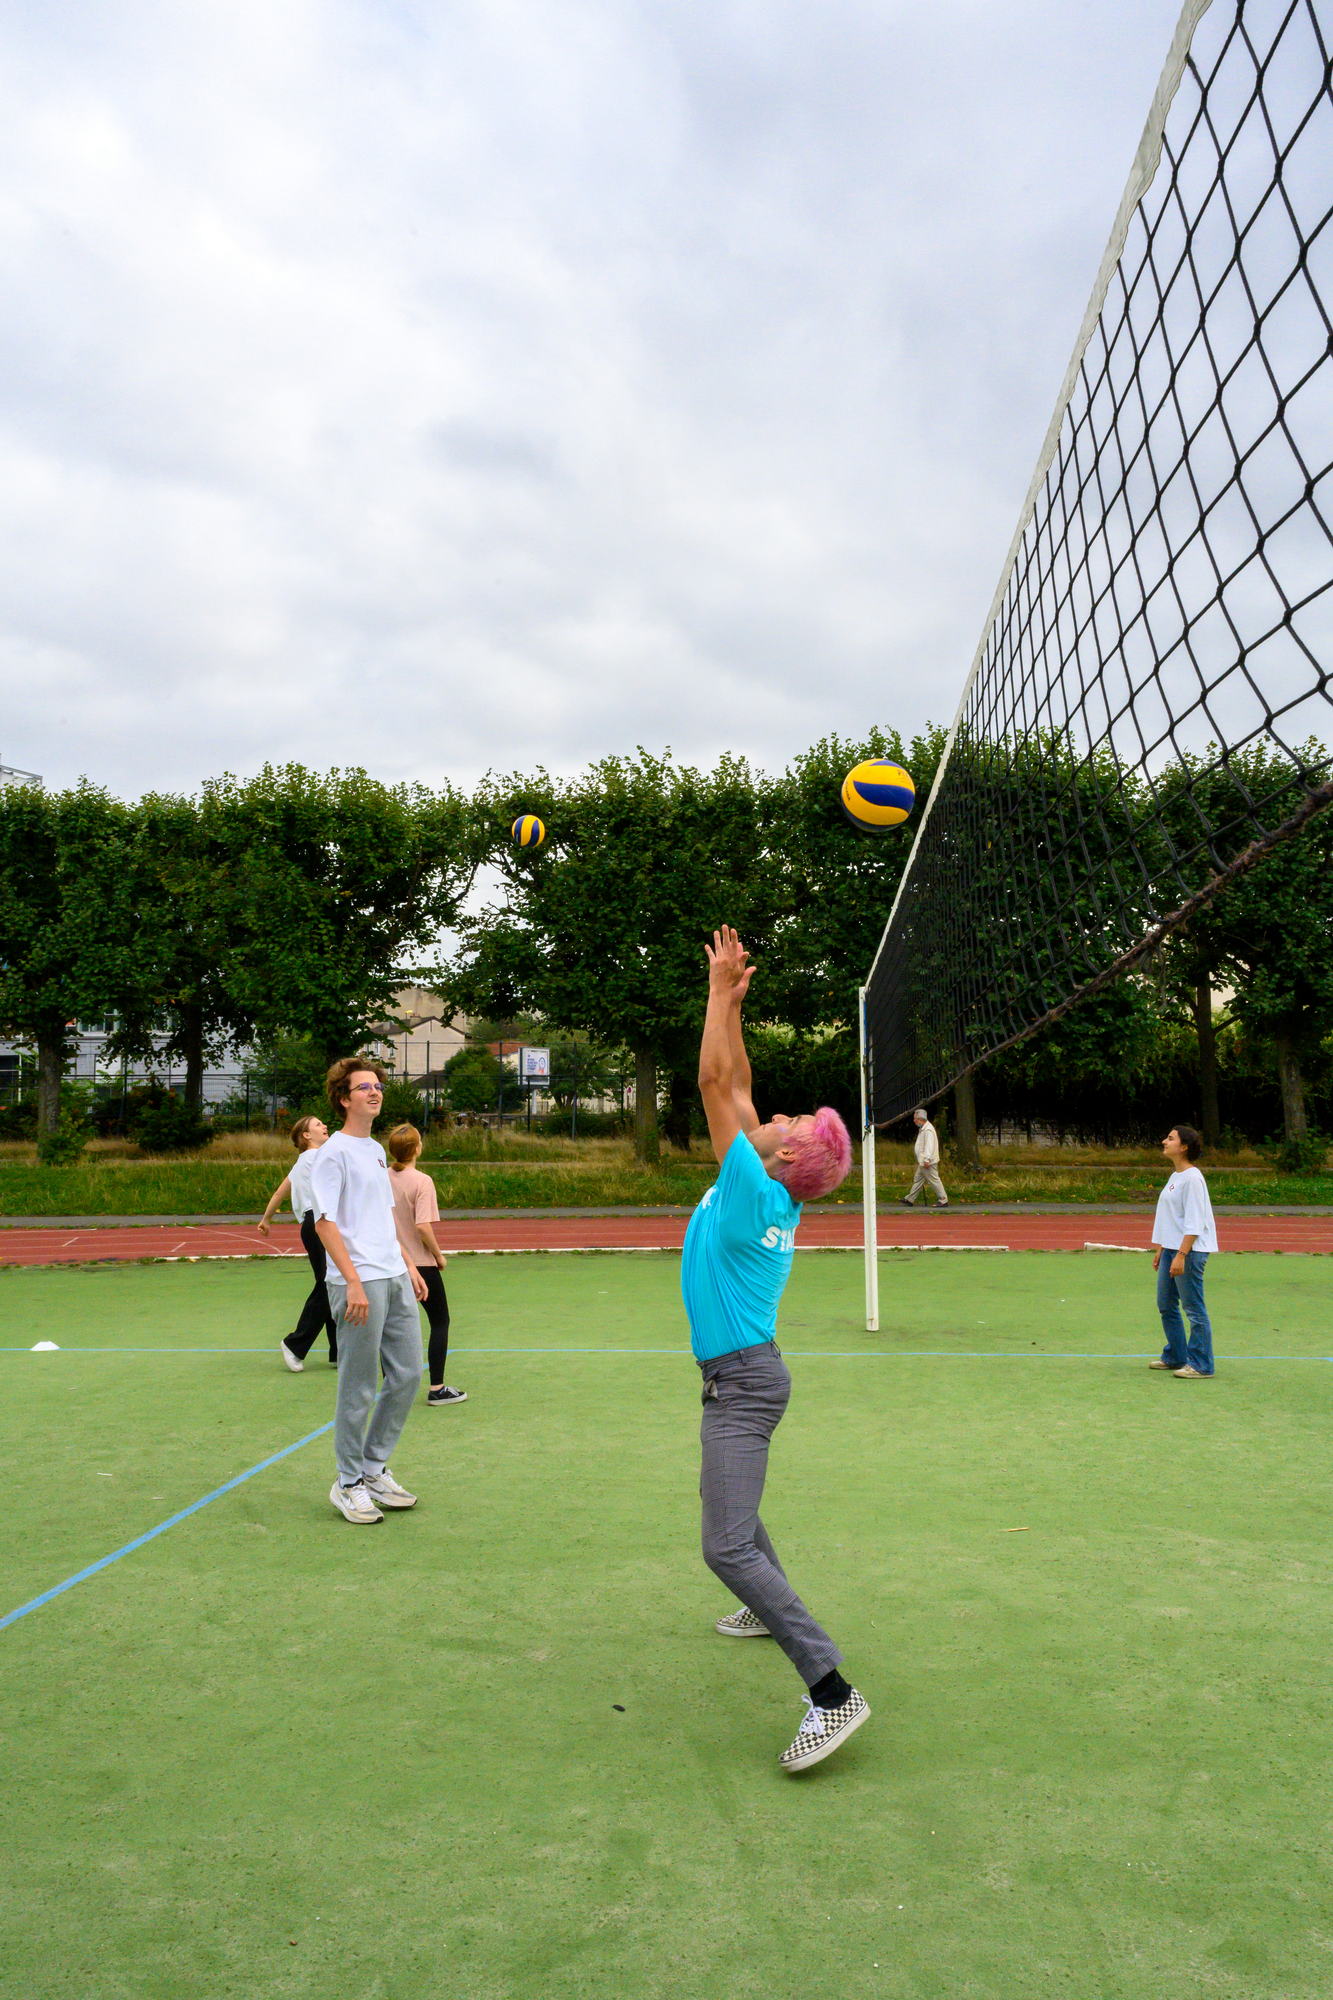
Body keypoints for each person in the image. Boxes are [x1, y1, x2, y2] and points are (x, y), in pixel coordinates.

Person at [682, 924, 868, 1774]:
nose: (775, 1115)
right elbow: (739, 1082)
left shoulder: (750, 1183)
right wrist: (733, 1006)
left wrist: (716, 995)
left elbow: (713, 1083)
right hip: (747, 1374)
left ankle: (831, 1690)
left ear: (784, 1152)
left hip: (743, 1382)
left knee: (724, 1545)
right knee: (735, 1511)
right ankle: (764, 1609)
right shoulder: (766, 1185)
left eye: (787, 1121)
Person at [310, 1057, 429, 1524]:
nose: (375, 1092)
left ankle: (374, 1468)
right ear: (344, 1099)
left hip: (393, 1275)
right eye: (364, 1087)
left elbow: (382, 1215)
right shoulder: (332, 1153)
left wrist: (408, 1264)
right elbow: (325, 1223)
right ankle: (347, 1482)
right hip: (356, 1282)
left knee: (408, 1374)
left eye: (378, 1085)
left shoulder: (376, 1151)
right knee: (358, 1386)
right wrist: (354, 1282)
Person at [387, 1123, 467, 1407]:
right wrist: (438, 1255)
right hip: (420, 1264)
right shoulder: (422, 1181)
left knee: (391, 1327)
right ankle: (437, 1387)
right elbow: (422, 1226)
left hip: (389, 1263)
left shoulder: (382, 1178)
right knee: (440, 1321)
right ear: (417, 1149)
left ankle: (392, 1387)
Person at [259, 1114, 338, 1371]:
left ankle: (339, 1351)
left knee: (333, 1284)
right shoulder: (316, 1157)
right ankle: (295, 1344)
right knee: (329, 1284)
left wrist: (266, 1219)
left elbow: (279, 1192)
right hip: (319, 1223)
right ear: (306, 1135)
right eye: (318, 1124)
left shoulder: (302, 1162)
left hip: (313, 1224)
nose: (324, 1126)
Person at [1150, 1123, 1218, 1378]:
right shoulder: (1175, 1176)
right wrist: (1161, 1248)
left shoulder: (1193, 1178)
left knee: (1193, 1308)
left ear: (1184, 1147)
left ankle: (1201, 1364)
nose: (1164, 1142)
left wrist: (1181, 1254)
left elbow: (1194, 1221)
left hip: (1189, 1251)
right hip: (1170, 1248)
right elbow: (1169, 1218)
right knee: (1166, 1304)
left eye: (1170, 1138)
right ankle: (1176, 1356)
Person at [901, 1107, 948, 1208]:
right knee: (918, 1179)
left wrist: (927, 1159)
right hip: (923, 1161)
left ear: (921, 1119)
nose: (914, 1121)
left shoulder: (928, 1130)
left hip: (928, 1162)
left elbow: (929, 1146)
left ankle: (943, 1200)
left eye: (915, 1119)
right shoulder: (924, 1129)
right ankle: (910, 1199)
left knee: (934, 1180)